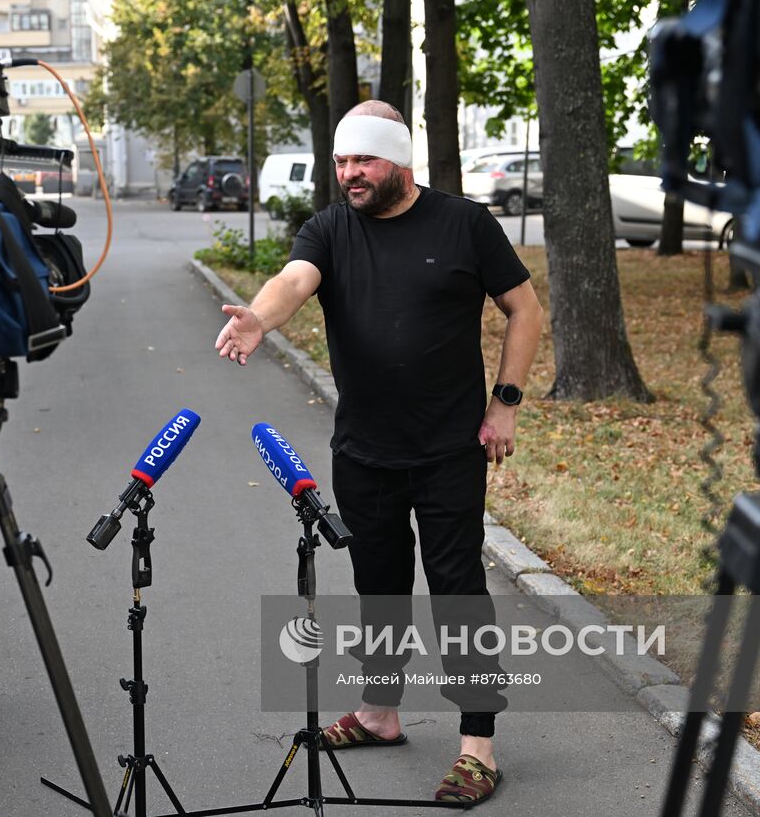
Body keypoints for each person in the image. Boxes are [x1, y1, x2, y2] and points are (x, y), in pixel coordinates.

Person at [214, 101, 543, 805]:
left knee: (456, 589)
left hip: (450, 446)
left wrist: (505, 403)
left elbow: (525, 308)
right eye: (340, 161)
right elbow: (294, 280)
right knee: (379, 586)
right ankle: (380, 713)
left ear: (399, 159)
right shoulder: (331, 229)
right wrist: (258, 318)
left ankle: (478, 746)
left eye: (362, 160)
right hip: (364, 449)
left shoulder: (465, 224)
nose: (349, 173)